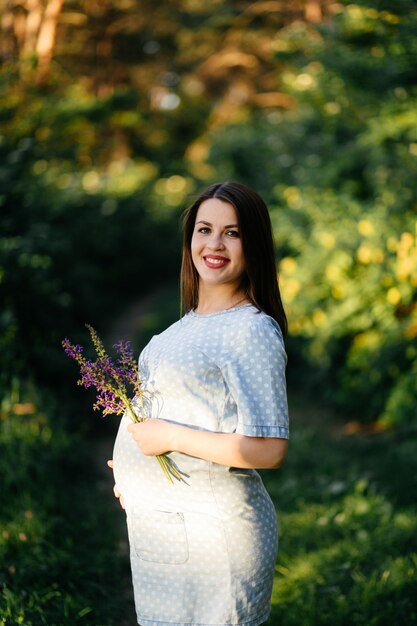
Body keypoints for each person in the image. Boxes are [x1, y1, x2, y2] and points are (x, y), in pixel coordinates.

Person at [108, 181, 289, 626]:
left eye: (233, 233)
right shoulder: (184, 325)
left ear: (255, 245)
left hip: (214, 539)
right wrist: (136, 477)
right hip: (167, 529)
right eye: (205, 229)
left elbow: (268, 448)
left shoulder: (251, 330)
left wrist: (168, 437)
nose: (215, 243)